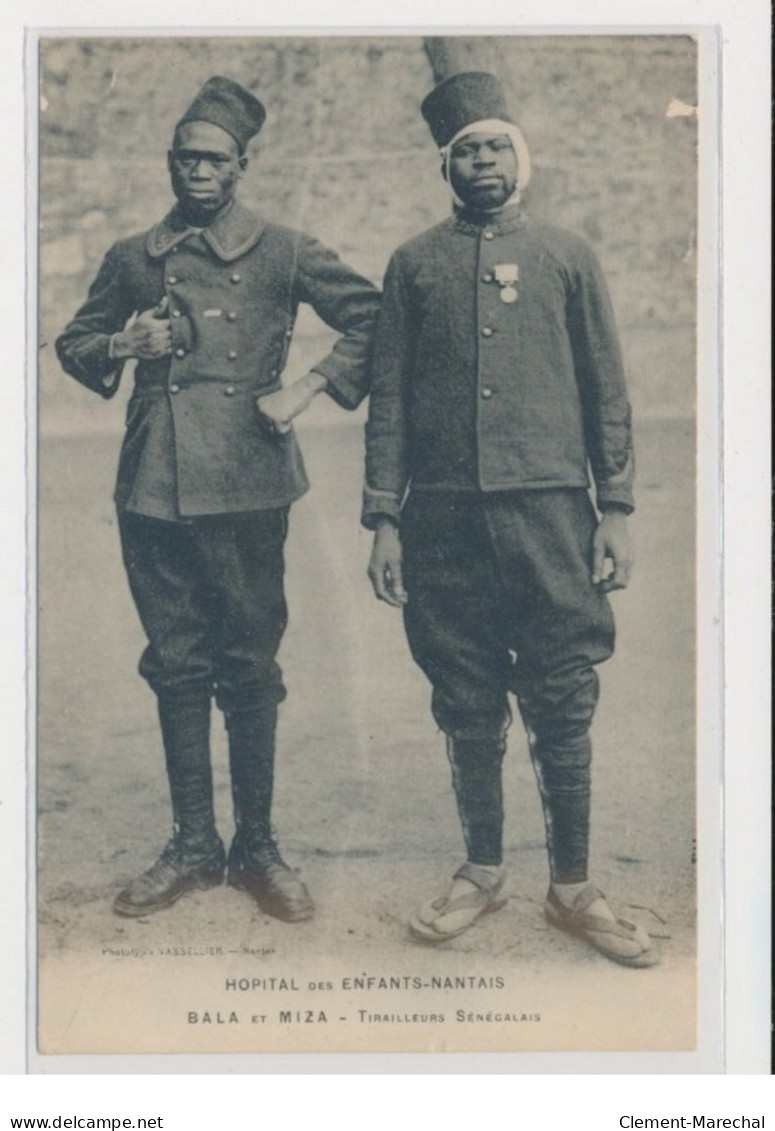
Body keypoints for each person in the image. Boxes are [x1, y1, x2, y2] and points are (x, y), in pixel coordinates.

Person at [57, 76, 380, 923]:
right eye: (185, 158)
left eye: (214, 159)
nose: (198, 172)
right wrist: (126, 341)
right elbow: (74, 341)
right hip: (152, 486)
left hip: (245, 482)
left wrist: (308, 385)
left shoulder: (281, 249)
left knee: (249, 664)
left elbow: (376, 319)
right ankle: (194, 843)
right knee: (174, 663)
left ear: (241, 166)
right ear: (170, 165)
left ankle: (259, 846)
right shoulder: (135, 255)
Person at [363, 71, 657, 966]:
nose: (481, 162)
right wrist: (383, 517)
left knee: (562, 696)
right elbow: (389, 404)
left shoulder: (566, 255)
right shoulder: (413, 264)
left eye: (495, 146)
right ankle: (482, 869)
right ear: (444, 165)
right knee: (464, 695)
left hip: (550, 519)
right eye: (465, 150)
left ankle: (571, 885)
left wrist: (615, 508)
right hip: (442, 521)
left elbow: (607, 391)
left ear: (517, 158)